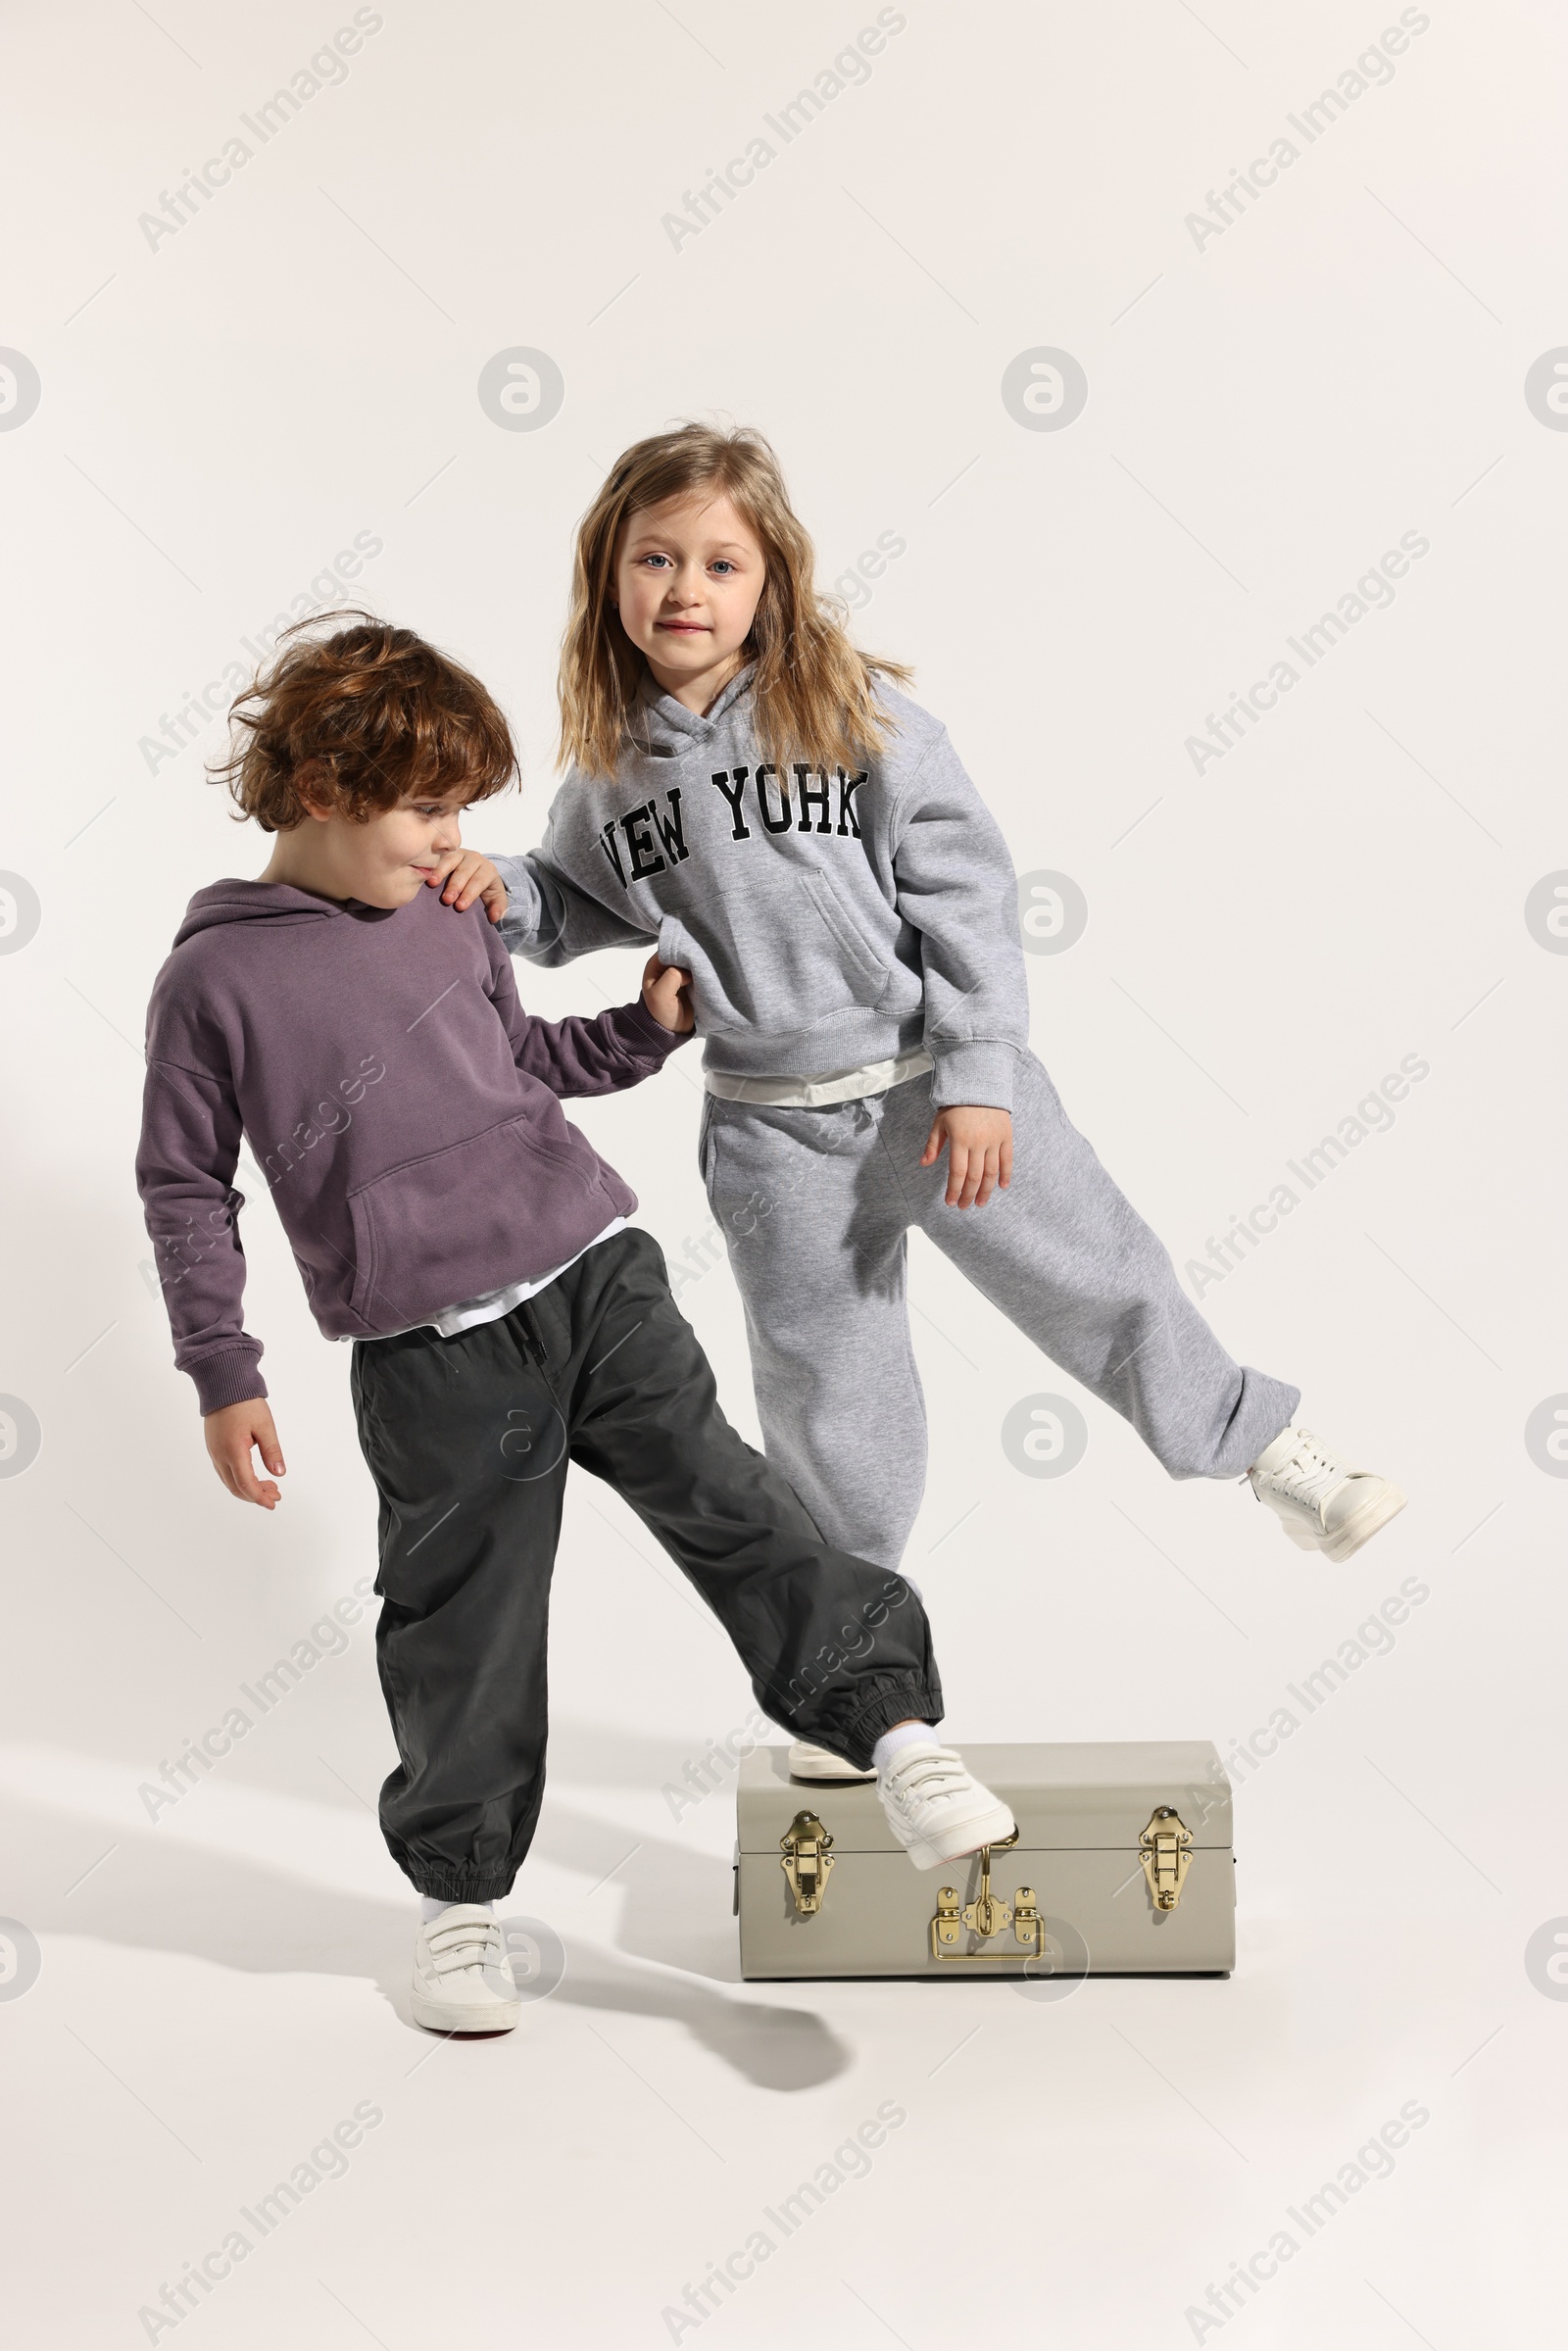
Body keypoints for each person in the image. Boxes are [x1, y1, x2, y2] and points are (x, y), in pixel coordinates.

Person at [442, 424, 1405, 1780]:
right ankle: (858, 1672)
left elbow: (966, 891)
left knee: (1105, 1282)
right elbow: (572, 899)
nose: (685, 589)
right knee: (830, 1406)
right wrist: (502, 892)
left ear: (772, 579)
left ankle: (1270, 1452)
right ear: (607, 575)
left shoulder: (853, 716)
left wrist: (980, 1075)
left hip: (936, 1099)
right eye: (653, 559)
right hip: (774, 1135)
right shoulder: (612, 773)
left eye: (721, 562)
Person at [135, 618, 1014, 2034]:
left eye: (460, 813)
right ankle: (461, 1911)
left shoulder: (447, 912)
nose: (448, 841)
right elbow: (184, 1188)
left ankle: (894, 1732)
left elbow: (517, 1064)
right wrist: (220, 1371)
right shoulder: (217, 983)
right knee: (464, 1623)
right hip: (433, 1355)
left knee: (732, 1499)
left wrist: (642, 1026)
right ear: (316, 785)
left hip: (597, 1277)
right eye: (425, 810)